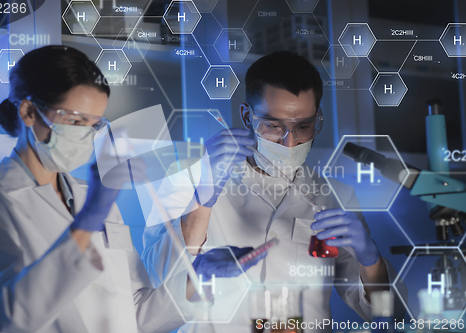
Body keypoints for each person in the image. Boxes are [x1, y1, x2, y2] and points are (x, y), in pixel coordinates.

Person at [0, 45, 265, 333]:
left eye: (95, 124)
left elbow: (135, 312)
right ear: (29, 112)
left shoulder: (93, 197)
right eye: (76, 120)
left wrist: (200, 276)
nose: (86, 134)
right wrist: (91, 216)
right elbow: (7, 320)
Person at [142, 51, 407, 332]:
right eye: (273, 125)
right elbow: (157, 280)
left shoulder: (336, 196)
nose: (289, 141)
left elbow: (384, 314)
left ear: (318, 119)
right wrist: (203, 198)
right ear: (247, 117)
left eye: (303, 127)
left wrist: (370, 259)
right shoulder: (188, 176)